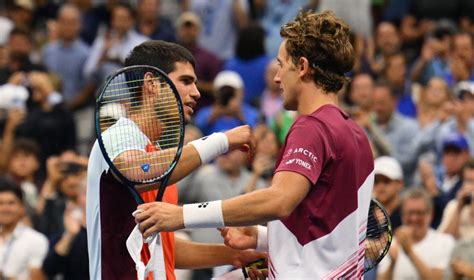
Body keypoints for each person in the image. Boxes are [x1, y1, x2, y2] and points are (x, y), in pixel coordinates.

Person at [135, 11, 374, 278]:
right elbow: (324, 232)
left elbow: (279, 200)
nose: (276, 78)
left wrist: (182, 216)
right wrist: (259, 236)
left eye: (281, 65)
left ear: (303, 67)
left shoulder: (312, 127)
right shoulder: (357, 135)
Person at [86, 40, 260, 280]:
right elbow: (137, 171)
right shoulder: (116, 136)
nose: (197, 93)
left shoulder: (159, 156)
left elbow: (163, 248)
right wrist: (220, 141)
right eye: (186, 81)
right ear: (151, 84)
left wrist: (233, 257)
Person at [377, 188, 455, 280]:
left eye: (419, 213)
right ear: (402, 214)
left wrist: (409, 252)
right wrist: (392, 264)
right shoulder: (390, 245)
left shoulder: (445, 242)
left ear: (430, 214)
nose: (414, 218)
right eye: (409, 213)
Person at [0, 177, 48, 280]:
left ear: (22, 207)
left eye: (11, 203)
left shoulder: (36, 240)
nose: (5, 208)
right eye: (0, 203)